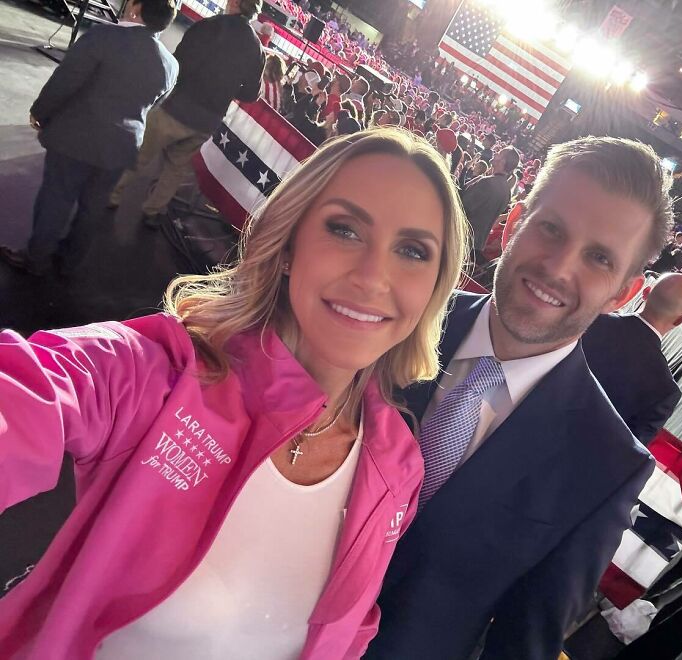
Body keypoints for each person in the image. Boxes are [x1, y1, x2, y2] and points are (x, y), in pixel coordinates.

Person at [0, 128, 469, 658]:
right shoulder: (159, 375)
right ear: (289, 244)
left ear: (435, 286)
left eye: (412, 250)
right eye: (345, 230)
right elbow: (31, 390)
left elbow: (350, 633)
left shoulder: (398, 465)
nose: (373, 277)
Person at [366, 136, 673, 660]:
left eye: (599, 258)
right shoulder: (388, 312)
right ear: (512, 225)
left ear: (623, 294)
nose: (558, 267)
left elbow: (524, 642)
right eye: (551, 228)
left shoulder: (609, 465)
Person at [0, 0, 178, 275]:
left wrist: (40, 112)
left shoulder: (103, 36)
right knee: (92, 207)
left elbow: (66, 80)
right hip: (121, 147)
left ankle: (36, 260)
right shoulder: (171, 65)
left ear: (135, 8)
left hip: (75, 137)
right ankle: (70, 262)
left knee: (56, 199)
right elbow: (152, 106)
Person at [109, 0, 266, 229]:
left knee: (140, 155)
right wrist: (229, 88)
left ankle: (112, 196)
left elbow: (180, 61)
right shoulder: (256, 47)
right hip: (206, 121)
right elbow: (252, 93)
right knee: (175, 168)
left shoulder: (210, 26)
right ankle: (152, 210)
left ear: (234, 2)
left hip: (177, 107)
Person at [582, 272, 682, 444]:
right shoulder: (665, 391)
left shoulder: (590, 320)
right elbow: (626, 452)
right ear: (681, 320)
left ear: (645, 293)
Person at [459, 145, 520, 256]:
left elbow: (462, 205)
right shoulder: (507, 191)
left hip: (461, 236)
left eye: (499, 153)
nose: (495, 153)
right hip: (476, 244)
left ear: (502, 161)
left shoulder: (487, 182)